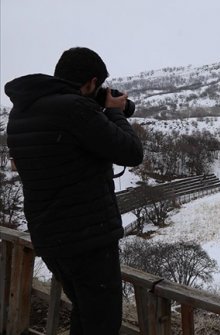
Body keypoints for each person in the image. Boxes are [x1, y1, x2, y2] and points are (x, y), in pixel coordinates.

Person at [4, 47, 143, 334]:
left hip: (50, 237)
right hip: (88, 238)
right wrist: (115, 113)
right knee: (101, 323)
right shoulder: (75, 109)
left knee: (86, 312)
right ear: (91, 83)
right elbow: (131, 152)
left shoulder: (21, 111)